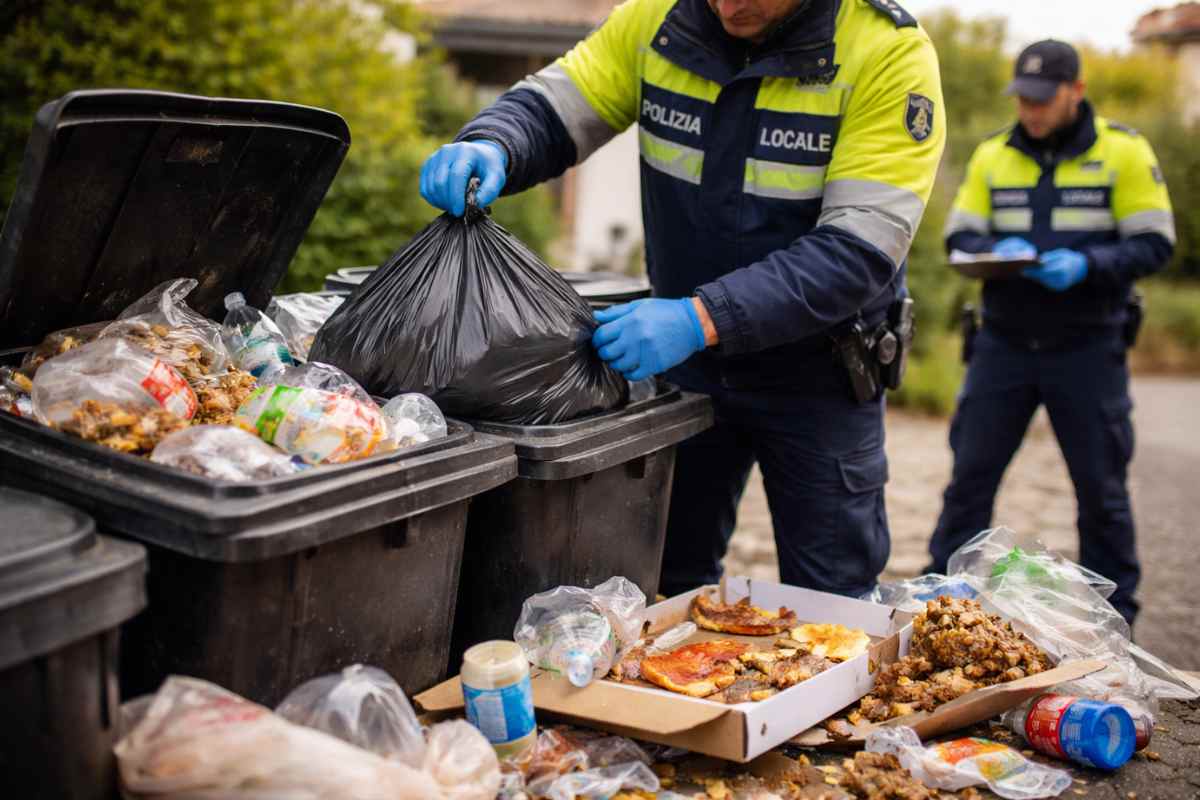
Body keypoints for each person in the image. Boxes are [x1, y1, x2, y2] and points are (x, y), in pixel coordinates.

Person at [420, 0, 945, 599]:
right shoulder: (657, 20)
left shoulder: (887, 53)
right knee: (661, 583)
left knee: (834, 601)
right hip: (688, 368)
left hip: (819, 375)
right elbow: (557, 106)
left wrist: (701, 318)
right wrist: (494, 142)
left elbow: (857, 254)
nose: (731, 5)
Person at [928, 40, 1175, 624]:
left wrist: (1089, 264)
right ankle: (942, 608)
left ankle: (1117, 625)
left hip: (1088, 346)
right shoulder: (993, 154)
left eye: (1043, 99)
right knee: (968, 481)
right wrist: (994, 250)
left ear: (1076, 92)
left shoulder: (1124, 151)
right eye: (1023, 99)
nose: (1031, 111)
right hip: (1003, 345)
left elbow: (1155, 242)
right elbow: (958, 240)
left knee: (1102, 495)